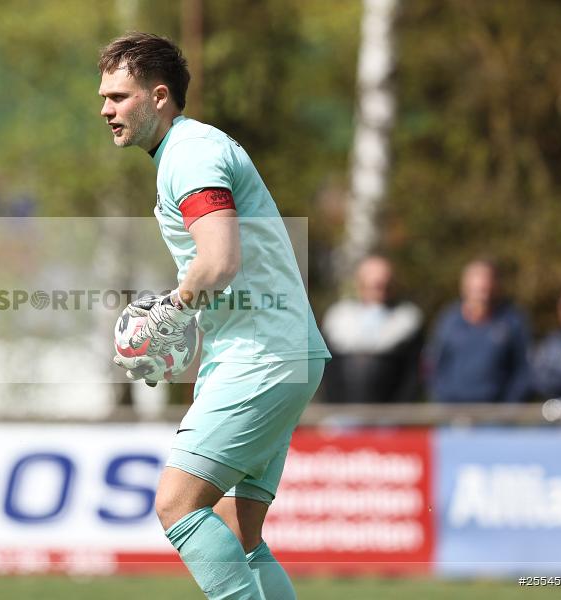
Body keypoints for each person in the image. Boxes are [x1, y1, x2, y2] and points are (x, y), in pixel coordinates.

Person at [102, 33, 331, 600]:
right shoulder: (187, 150)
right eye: (103, 97)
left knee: (177, 505)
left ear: (159, 97)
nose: (105, 109)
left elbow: (220, 260)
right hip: (276, 350)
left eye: (118, 96)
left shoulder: (192, 154)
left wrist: (170, 313)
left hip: (263, 355)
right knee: (236, 531)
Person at [425, 259, 531, 403]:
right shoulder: (449, 320)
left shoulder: (512, 321)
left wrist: (509, 408)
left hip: (496, 416)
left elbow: (523, 370)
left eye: (486, 289)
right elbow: (433, 364)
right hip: (452, 414)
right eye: (478, 290)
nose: (482, 296)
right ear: (465, 288)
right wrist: (442, 401)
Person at [322, 255, 423, 403]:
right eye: (372, 285)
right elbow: (328, 372)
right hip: (343, 413)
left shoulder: (406, 320)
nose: (377, 289)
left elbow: (412, 374)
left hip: (390, 415)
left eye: (382, 285)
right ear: (359, 283)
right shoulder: (339, 319)